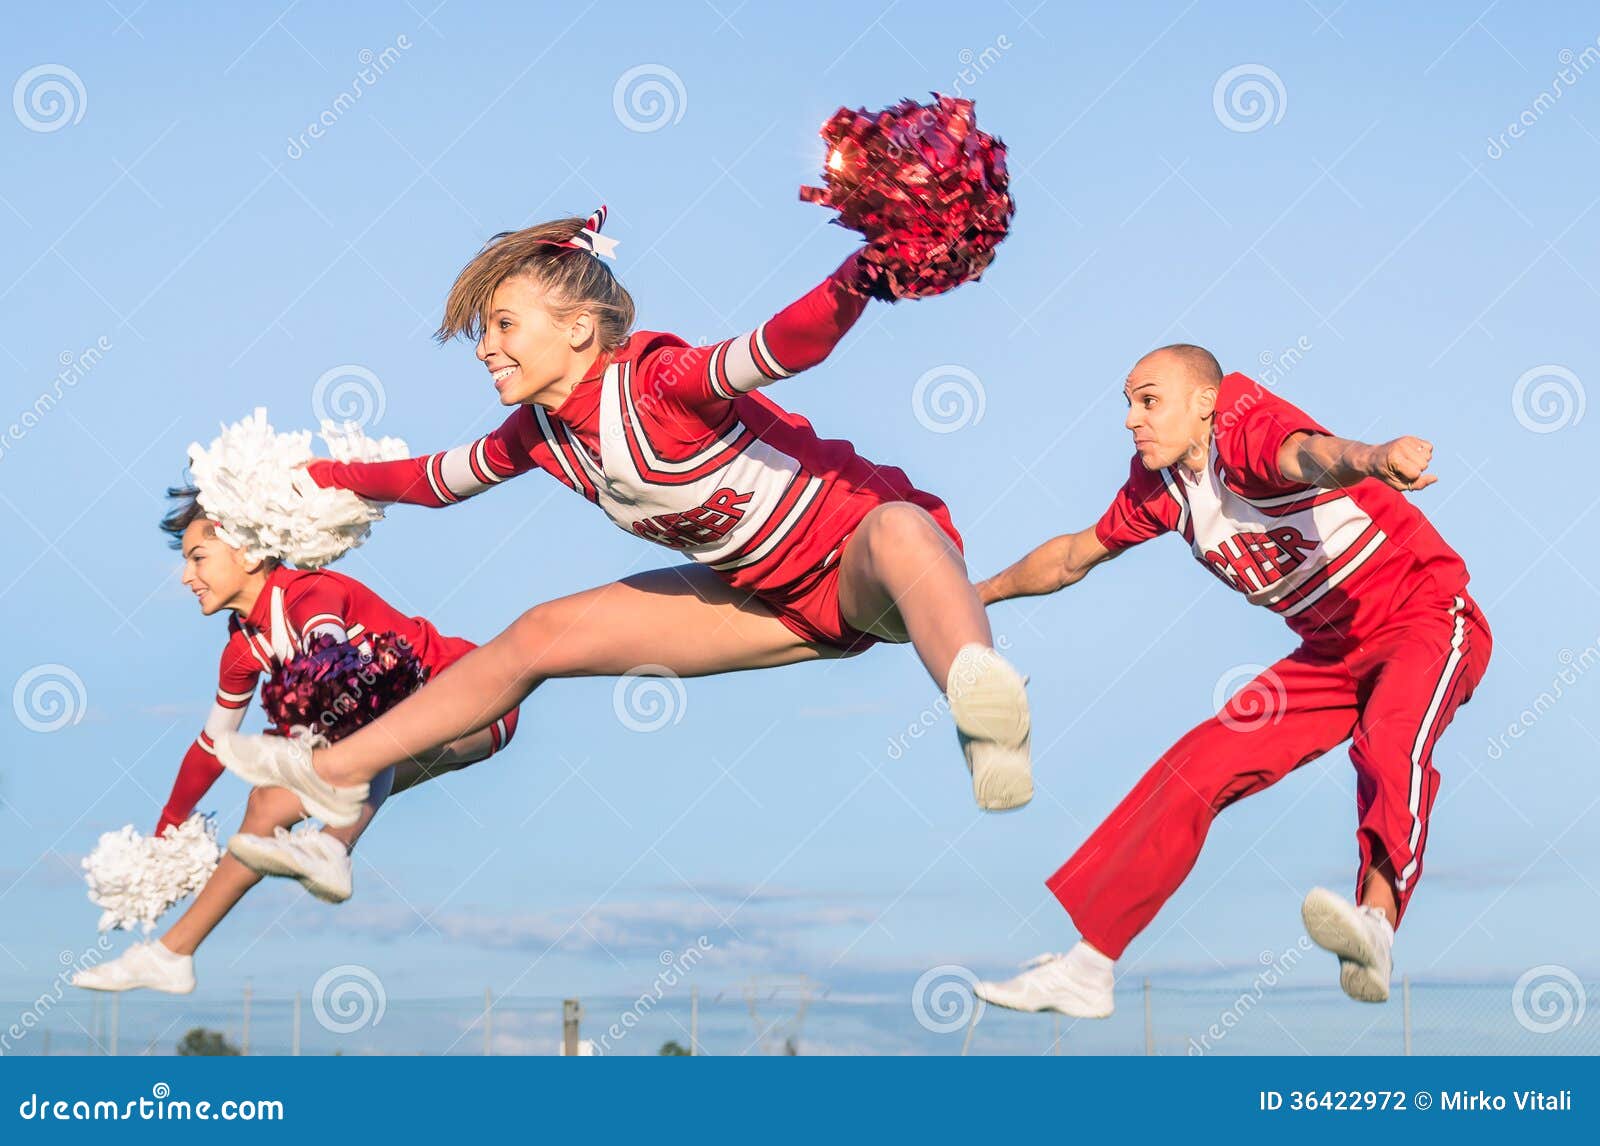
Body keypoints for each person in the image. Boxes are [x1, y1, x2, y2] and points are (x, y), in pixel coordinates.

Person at [213, 207, 1032, 829]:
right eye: (482, 331)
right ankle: (332, 769)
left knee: (897, 528)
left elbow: (787, 342)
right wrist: (316, 475)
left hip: (862, 568)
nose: (484, 347)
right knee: (537, 636)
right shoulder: (537, 435)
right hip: (765, 601)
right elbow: (432, 481)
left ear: (576, 329)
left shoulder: (661, 382)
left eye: (501, 325)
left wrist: (867, 270)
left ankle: (987, 721)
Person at [972, 344, 1490, 1015]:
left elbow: (1310, 455)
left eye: (1149, 400)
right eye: (1128, 403)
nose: (1133, 418)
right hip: (1332, 654)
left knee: (1388, 739)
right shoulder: (1160, 489)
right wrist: (970, 593)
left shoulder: (1245, 430)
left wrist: (1372, 459)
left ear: (1205, 402)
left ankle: (1376, 922)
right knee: (1197, 765)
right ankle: (1089, 966)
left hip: (1425, 616)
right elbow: (1073, 556)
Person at [73, 487, 519, 995]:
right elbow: (213, 745)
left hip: (476, 696)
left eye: (198, 557)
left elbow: (337, 671)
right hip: (401, 726)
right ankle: (172, 954)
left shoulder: (309, 594)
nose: (185, 576)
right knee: (266, 805)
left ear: (249, 550)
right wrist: (165, 832)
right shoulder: (243, 645)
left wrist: (293, 746)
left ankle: (333, 849)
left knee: (350, 722)